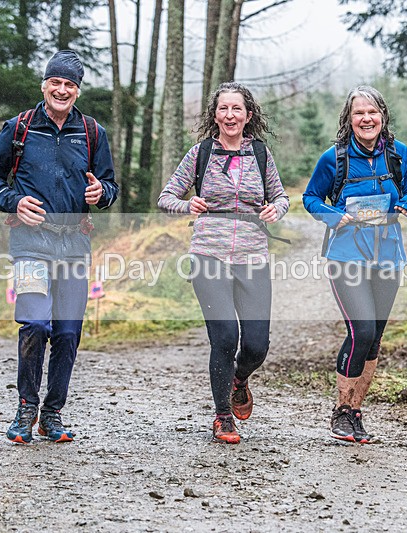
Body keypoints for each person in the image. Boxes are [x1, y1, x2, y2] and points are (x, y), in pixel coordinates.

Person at [0, 50, 118, 444]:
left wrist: (101, 192)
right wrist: (12, 201)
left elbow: (110, 186)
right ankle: (26, 407)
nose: (62, 90)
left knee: (68, 332)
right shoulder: (19, 127)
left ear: (77, 91)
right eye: (55, 82)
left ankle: (52, 414)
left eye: (69, 85)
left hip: (74, 245)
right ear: (44, 85)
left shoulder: (92, 132)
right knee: (36, 323)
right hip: (29, 243)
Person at [158, 82, 289, 444]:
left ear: (248, 115)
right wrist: (188, 205)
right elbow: (166, 196)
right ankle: (223, 417)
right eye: (223, 109)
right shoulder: (200, 153)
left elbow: (281, 196)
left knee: (257, 346)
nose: (230, 115)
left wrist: (275, 208)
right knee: (225, 337)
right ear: (214, 115)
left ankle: (239, 379)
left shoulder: (260, 154)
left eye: (237, 109)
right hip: (208, 255)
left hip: (253, 256)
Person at [302, 85, 407, 443]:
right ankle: (340, 410)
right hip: (346, 255)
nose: (366, 119)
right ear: (349, 119)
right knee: (361, 331)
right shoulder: (334, 158)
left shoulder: (398, 155)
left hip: (388, 255)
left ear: (382, 116)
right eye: (359, 113)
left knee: (374, 340)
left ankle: (355, 413)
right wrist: (333, 215)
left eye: (372, 112)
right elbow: (310, 198)